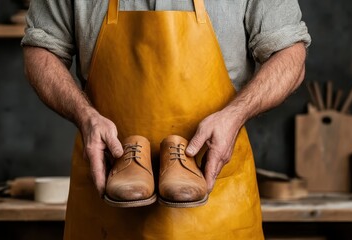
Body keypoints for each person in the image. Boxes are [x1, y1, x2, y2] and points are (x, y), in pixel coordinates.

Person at [22, 0, 311, 239]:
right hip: (108, 205)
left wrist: (234, 115)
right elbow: (41, 49)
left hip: (217, 199)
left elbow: (289, 54)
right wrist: (85, 117)